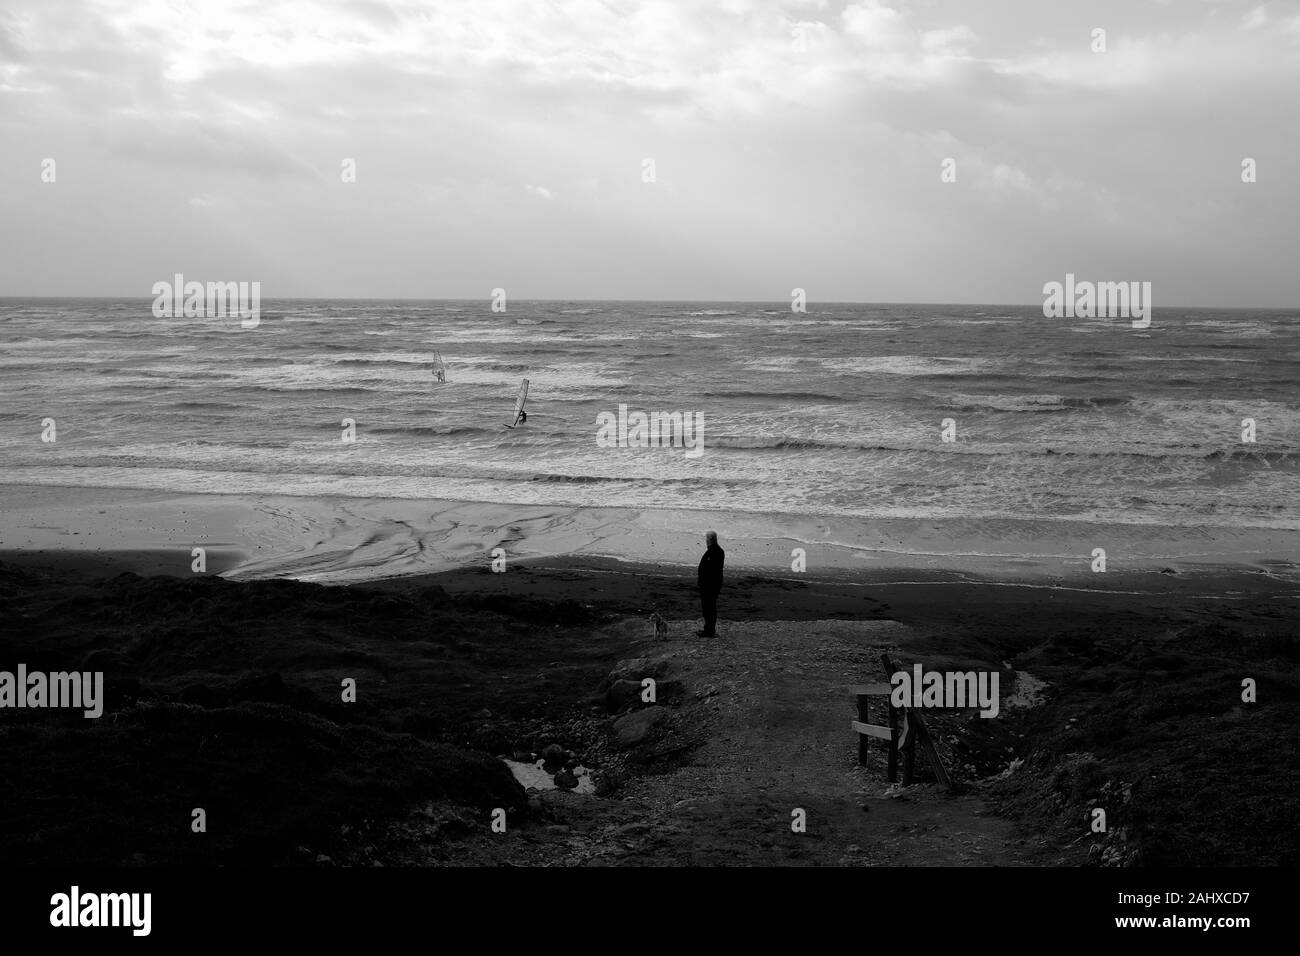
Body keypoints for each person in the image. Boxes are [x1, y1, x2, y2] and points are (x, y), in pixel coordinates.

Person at [696, 530, 724, 637]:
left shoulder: (714, 551)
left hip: (710, 585)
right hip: (711, 584)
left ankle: (709, 631)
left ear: (709, 540)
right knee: (709, 607)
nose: (705, 540)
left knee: (709, 608)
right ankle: (708, 629)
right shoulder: (716, 550)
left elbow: (711, 570)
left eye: (706, 538)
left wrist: (703, 583)